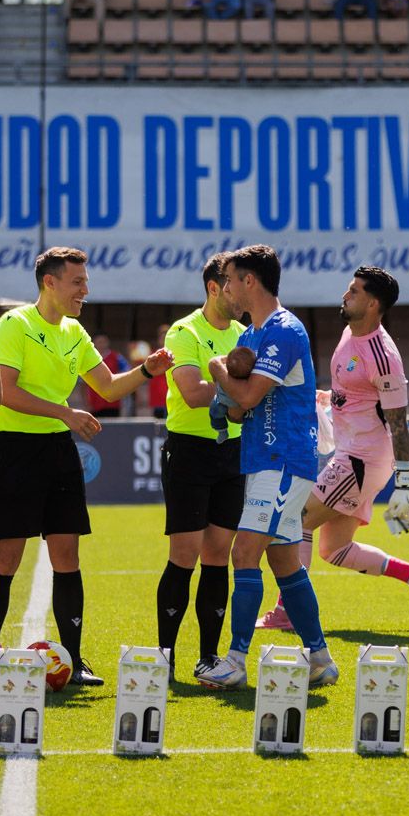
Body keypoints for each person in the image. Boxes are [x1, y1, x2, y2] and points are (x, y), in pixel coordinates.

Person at [0, 247, 172, 686]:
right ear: (49, 283)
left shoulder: (74, 329)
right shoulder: (14, 324)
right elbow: (4, 393)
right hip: (16, 449)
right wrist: (65, 413)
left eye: (85, 282)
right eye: (77, 282)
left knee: (67, 556)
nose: (85, 290)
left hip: (58, 452)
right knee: (6, 558)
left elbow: (106, 387)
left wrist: (147, 369)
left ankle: (72, 660)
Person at [254, 267, 409, 632]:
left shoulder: (384, 356)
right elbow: (356, 392)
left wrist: (405, 483)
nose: (345, 294)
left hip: (363, 459)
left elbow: (398, 422)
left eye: (354, 291)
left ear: (372, 304)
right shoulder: (349, 333)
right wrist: (331, 399)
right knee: (333, 550)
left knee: (295, 519)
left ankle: (289, 610)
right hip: (349, 453)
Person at [198, 245, 338, 691]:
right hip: (263, 458)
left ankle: (236, 661)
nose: (229, 290)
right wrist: (229, 389)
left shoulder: (283, 329)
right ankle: (320, 659)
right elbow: (237, 412)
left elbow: (247, 398)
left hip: (284, 459)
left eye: (233, 280)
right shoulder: (252, 335)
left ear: (250, 282)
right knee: (283, 562)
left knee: (244, 553)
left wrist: (218, 369)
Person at [156, 254, 245, 677]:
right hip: (189, 451)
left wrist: (231, 384)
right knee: (185, 554)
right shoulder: (184, 331)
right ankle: (164, 657)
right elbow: (192, 393)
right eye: (236, 285)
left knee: (218, 555)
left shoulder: (249, 334)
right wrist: (237, 381)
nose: (243, 293)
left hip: (234, 453)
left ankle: (208, 657)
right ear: (214, 287)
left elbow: (257, 396)